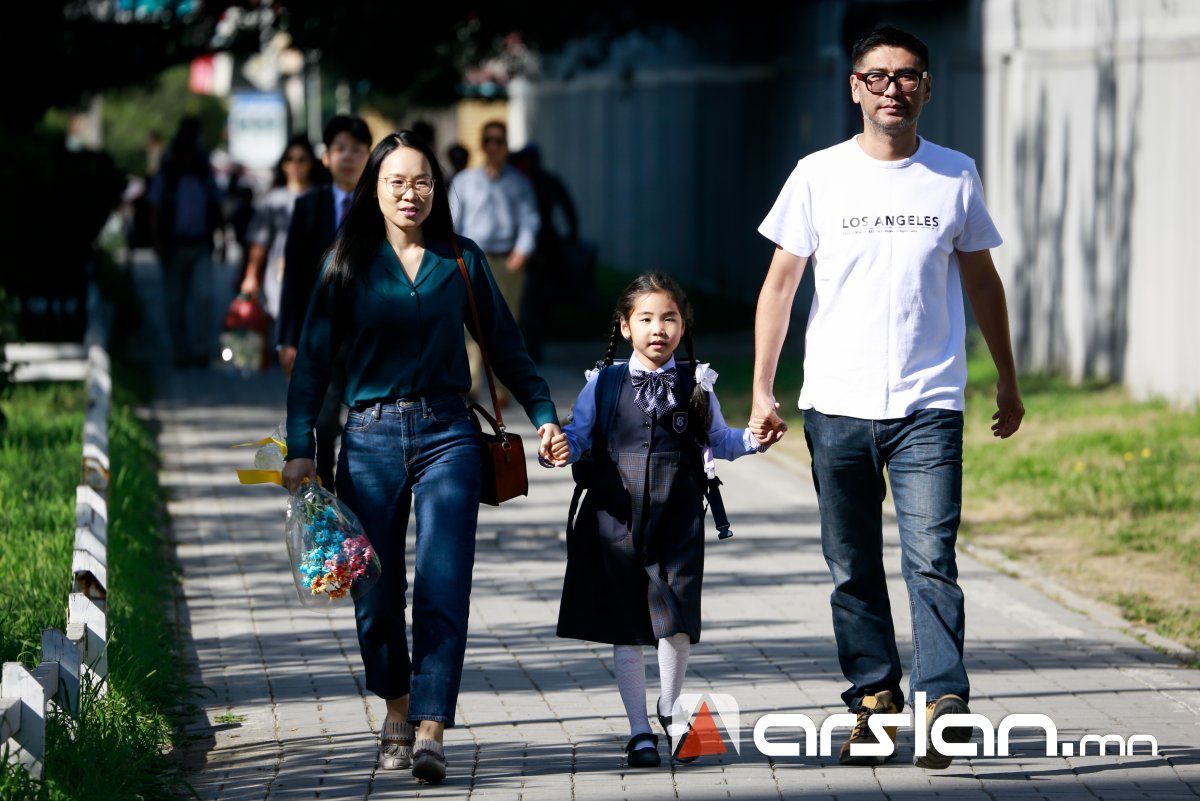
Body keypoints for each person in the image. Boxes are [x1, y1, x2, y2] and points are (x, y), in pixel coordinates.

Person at [749, 25, 1025, 771]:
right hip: (835, 403)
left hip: (928, 403)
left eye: (906, 76)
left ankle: (943, 703)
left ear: (926, 87)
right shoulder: (817, 174)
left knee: (931, 557)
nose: (891, 89)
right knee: (852, 566)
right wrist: (764, 390)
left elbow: (982, 283)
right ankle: (874, 699)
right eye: (877, 76)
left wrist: (1007, 375)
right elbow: (780, 286)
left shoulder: (954, 175)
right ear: (855, 88)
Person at [280, 130, 565, 785]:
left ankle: (432, 726)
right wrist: (300, 448)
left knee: (444, 580)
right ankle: (398, 710)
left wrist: (545, 414)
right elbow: (312, 365)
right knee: (375, 591)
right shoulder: (345, 262)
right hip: (369, 440)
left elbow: (506, 346)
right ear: (374, 189)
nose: (411, 194)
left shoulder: (460, 259)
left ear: (437, 189)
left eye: (422, 182)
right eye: (397, 182)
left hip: (448, 435)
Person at [546, 272, 764, 768]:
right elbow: (578, 436)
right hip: (614, 516)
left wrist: (756, 438)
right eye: (645, 319)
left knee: (676, 619)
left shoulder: (696, 383)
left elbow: (720, 441)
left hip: (678, 515)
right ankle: (639, 730)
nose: (658, 328)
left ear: (683, 327)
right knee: (627, 626)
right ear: (625, 327)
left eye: (669, 318)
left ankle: (671, 708)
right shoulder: (603, 383)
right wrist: (559, 447)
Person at [276, 114, 373, 488]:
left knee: (367, 422)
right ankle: (327, 493)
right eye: (340, 148)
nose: (348, 157)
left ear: (369, 156)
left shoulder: (381, 206)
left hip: (369, 333)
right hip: (322, 332)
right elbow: (294, 278)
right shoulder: (308, 206)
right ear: (327, 157)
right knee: (325, 421)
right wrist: (288, 338)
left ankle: (359, 488)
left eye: (357, 149)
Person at [448, 120, 540, 404]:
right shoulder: (465, 181)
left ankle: (502, 389)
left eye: (499, 141)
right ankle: (471, 385)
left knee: (505, 324)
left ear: (506, 146)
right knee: (469, 323)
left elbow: (530, 220)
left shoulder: (519, 182)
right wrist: (454, 255)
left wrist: (522, 251)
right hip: (471, 259)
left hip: (506, 260)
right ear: (481, 145)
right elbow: (452, 220)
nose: (493, 146)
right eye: (488, 140)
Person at [147, 116, 225, 369]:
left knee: (203, 298)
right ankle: (180, 351)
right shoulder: (168, 177)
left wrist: (222, 239)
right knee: (174, 303)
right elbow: (155, 210)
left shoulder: (204, 176)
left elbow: (217, 207)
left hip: (200, 245)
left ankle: (200, 350)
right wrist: (157, 240)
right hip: (174, 246)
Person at [238, 134, 328, 349]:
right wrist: (251, 275)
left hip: (316, 272)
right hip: (279, 272)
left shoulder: (323, 196)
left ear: (311, 163)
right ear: (283, 164)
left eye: (301, 159)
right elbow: (259, 241)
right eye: (290, 159)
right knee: (282, 323)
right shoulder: (273, 199)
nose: (295, 165)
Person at [510, 142, 580, 362]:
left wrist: (572, 235)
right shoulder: (519, 181)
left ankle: (532, 342)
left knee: (536, 298)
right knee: (526, 298)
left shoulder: (542, 181)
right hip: (522, 247)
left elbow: (568, 207)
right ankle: (527, 341)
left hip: (542, 247)